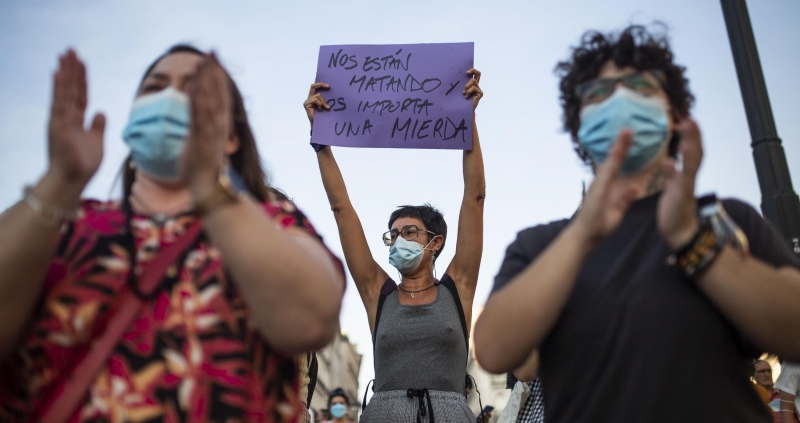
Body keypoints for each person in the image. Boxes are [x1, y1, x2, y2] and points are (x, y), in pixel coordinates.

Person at [474, 25, 800, 423]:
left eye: (639, 87)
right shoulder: (542, 244)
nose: (619, 101)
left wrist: (694, 244)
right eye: (598, 93)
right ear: (579, 126)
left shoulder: (727, 220)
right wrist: (581, 236)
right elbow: (494, 349)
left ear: (674, 114)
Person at [0, 46, 345, 422]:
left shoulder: (274, 223)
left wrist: (210, 186)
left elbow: (312, 320)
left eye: (195, 91)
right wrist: (59, 182)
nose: (171, 99)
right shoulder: (62, 224)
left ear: (231, 138)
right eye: (155, 88)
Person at [303, 69, 485, 422]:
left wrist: (468, 119)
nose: (399, 239)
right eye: (393, 233)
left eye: (410, 232)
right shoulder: (378, 294)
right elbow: (342, 211)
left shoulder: (457, 288)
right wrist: (320, 140)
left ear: (436, 242)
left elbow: (475, 198)